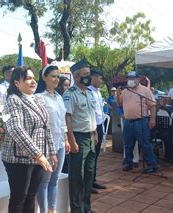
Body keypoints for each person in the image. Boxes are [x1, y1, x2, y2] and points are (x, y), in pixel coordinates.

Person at [1, 67, 57, 213]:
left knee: (31, 196)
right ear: (17, 82)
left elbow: (46, 127)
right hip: (18, 159)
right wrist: (38, 155)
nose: (33, 81)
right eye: (28, 78)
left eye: (33, 78)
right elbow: (15, 129)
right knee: (19, 198)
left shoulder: (37, 99)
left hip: (38, 158)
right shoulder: (13, 100)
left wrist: (52, 152)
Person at [63, 59, 97, 213]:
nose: (89, 77)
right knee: (77, 178)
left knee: (89, 175)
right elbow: (67, 118)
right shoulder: (70, 94)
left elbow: (92, 115)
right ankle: (77, 210)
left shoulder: (90, 92)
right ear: (76, 77)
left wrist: (95, 132)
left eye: (89, 74)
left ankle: (86, 208)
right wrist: (71, 139)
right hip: (78, 138)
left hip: (90, 137)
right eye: (86, 75)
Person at [35, 65, 70, 213]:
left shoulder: (59, 97)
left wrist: (66, 139)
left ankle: (52, 209)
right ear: (44, 78)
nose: (56, 79)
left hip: (60, 144)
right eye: (53, 76)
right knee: (44, 182)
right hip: (46, 146)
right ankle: (43, 210)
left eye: (58, 76)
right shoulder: (39, 98)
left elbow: (62, 122)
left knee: (54, 180)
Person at [119, 71, 158, 174]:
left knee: (145, 144)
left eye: (132, 78)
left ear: (138, 79)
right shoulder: (125, 91)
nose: (130, 80)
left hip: (141, 121)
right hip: (128, 121)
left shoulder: (145, 90)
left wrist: (152, 119)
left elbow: (152, 105)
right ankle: (128, 163)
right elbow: (120, 103)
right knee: (128, 144)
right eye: (128, 78)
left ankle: (151, 164)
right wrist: (118, 95)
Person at [87, 69, 108, 194]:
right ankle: (88, 184)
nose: (101, 81)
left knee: (96, 156)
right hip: (92, 127)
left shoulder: (97, 92)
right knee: (91, 156)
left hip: (99, 126)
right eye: (100, 78)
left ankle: (93, 180)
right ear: (93, 78)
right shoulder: (89, 92)